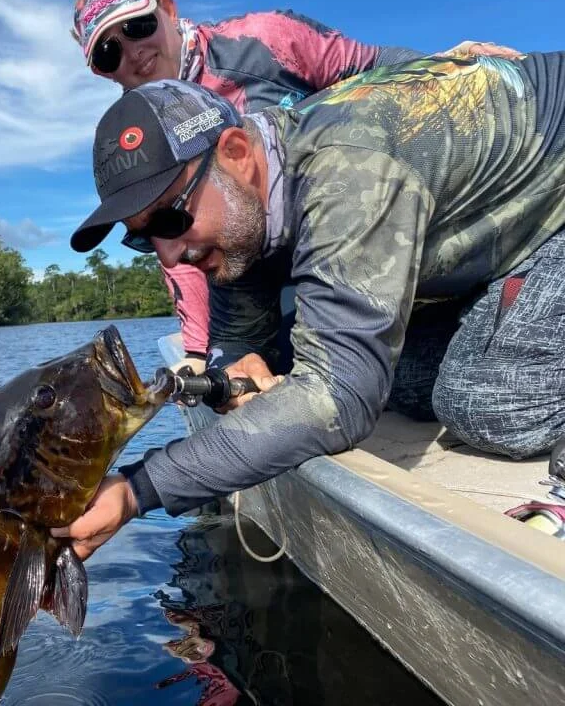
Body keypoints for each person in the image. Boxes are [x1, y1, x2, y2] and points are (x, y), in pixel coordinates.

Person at [56, 53, 565, 559]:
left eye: (170, 219)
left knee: (486, 402)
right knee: (398, 383)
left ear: (235, 152)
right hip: (511, 244)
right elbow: (238, 345)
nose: (170, 254)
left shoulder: (348, 165)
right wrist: (236, 365)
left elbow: (337, 394)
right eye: (144, 239)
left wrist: (137, 489)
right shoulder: (242, 216)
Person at [70, 0, 511, 362]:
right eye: (108, 52)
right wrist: (202, 354)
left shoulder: (264, 39)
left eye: (138, 26)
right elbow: (182, 249)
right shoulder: (136, 143)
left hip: (363, 225)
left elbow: (374, 68)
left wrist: (451, 67)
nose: (132, 52)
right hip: (265, 276)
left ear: (167, 9)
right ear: (101, 71)